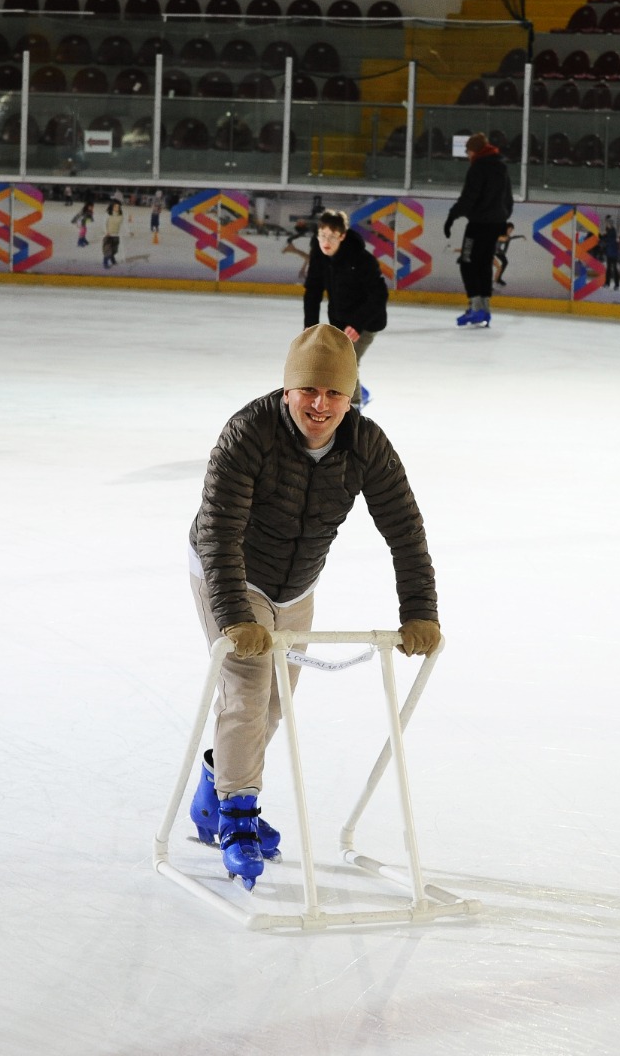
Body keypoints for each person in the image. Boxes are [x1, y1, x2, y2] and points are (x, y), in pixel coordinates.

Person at [186, 325, 441, 888]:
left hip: (297, 584)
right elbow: (220, 532)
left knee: (276, 702)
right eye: (308, 392)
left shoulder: (366, 444)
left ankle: (215, 790)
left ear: (351, 397)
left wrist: (419, 610)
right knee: (249, 691)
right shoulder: (247, 433)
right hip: (231, 571)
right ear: (287, 391)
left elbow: (404, 528)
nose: (320, 405)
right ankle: (236, 817)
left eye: (334, 394)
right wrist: (233, 614)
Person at [302, 209, 389, 409]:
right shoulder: (319, 253)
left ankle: (355, 407)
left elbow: (379, 295)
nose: (326, 241)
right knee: (336, 361)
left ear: (342, 236)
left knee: (347, 361)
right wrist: (311, 325)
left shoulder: (361, 259)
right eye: (322, 235)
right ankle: (361, 390)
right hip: (340, 318)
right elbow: (313, 290)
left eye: (332, 236)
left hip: (367, 321)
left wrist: (358, 324)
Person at [444, 132, 513, 328]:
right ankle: (485, 308)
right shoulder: (501, 166)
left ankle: (476, 307)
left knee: (467, 262)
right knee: (483, 264)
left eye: (468, 152)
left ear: (475, 151)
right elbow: (508, 197)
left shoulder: (478, 168)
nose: (468, 156)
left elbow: (469, 198)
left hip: (478, 224)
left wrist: (452, 216)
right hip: (495, 224)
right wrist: (503, 217)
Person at [493, 221, 523, 286]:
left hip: (498, 251)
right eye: (509, 230)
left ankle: (497, 279)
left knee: (504, 263)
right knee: (497, 266)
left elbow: (511, 237)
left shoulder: (507, 236)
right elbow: (501, 239)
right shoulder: (500, 233)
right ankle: (495, 281)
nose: (510, 231)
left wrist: (521, 236)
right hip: (492, 251)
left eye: (511, 230)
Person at [600, 217, 620, 291]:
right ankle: (607, 283)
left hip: (614, 254)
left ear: (610, 224)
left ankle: (617, 284)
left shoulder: (613, 231)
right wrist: (603, 237)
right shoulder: (609, 231)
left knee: (614, 269)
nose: (606, 224)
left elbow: (610, 241)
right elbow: (607, 239)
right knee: (608, 269)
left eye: (607, 223)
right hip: (610, 253)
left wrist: (603, 240)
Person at [101, 199, 123, 269]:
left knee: (114, 250)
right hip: (108, 236)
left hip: (116, 236)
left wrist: (129, 232)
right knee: (108, 250)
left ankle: (112, 259)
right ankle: (105, 262)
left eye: (118, 207)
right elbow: (104, 224)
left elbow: (123, 224)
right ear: (112, 207)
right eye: (115, 207)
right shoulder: (108, 214)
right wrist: (106, 232)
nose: (117, 208)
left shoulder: (120, 215)